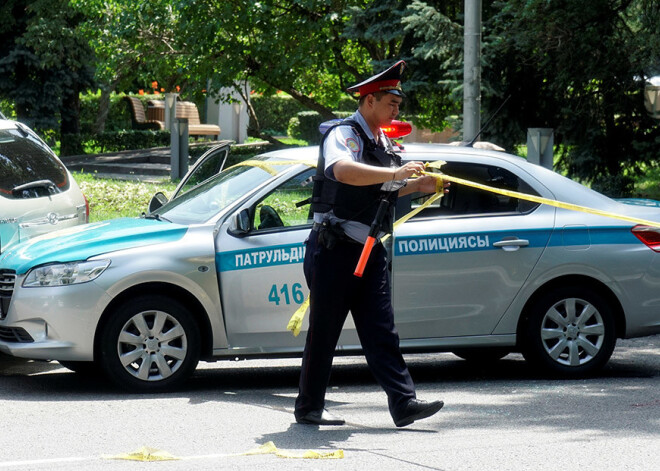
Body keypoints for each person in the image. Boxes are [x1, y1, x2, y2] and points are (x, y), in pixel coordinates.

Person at [294, 61, 446, 427]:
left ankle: (403, 403)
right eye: (391, 102)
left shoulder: (382, 141)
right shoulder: (343, 134)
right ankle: (309, 407)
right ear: (369, 101)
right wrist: (396, 173)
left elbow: (383, 187)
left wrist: (419, 186)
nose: (397, 109)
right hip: (334, 249)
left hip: (369, 249)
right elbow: (342, 171)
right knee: (324, 332)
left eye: (398, 103)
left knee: (381, 329)